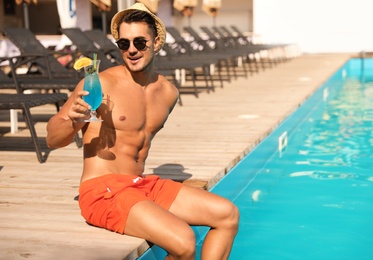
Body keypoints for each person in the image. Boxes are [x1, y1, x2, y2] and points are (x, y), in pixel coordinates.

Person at [46, 3, 239, 259]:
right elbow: (51, 138)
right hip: (102, 190)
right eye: (124, 44)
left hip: (141, 184)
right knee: (184, 241)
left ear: (156, 42)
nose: (132, 50)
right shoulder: (100, 84)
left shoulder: (168, 92)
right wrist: (73, 122)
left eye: (140, 42)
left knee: (228, 214)